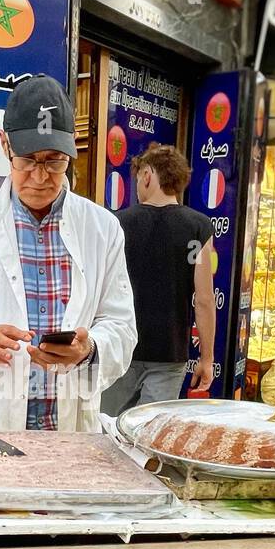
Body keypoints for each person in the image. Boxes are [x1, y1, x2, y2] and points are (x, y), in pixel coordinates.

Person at [0, 74, 136, 432]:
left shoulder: (102, 229)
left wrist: (90, 349)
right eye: (27, 160)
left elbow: (122, 326)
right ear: (6, 146)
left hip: (70, 432)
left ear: (71, 153)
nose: (40, 176)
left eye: (54, 161)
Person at [100, 142, 214, 417]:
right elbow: (204, 299)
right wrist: (207, 359)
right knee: (150, 435)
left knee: (106, 429)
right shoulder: (198, 227)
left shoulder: (117, 224)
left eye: (139, 178)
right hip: (169, 353)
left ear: (147, 175)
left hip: (120, 348)